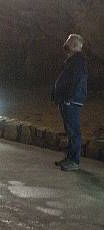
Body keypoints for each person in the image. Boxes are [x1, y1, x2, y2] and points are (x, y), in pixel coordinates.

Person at [52, 34, 87, 172]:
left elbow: (76, 81)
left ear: (74, 45)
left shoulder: (78, 61)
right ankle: (69, 158)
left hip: (72, 101)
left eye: (68, 42)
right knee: (69, 130)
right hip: (69, 100)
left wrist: (68, 98)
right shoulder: (73, 60)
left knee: (74, 131)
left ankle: (74, 161)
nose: (65, 44)